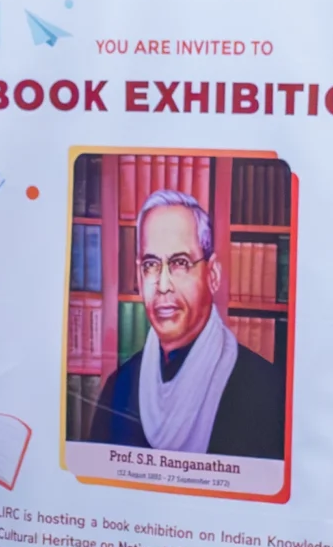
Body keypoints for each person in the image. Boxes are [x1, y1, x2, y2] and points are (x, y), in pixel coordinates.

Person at [87, 188, 287, 457]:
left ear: (212, 275)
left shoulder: (267, 391)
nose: (163, 285)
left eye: (180, 263)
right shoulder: (119, 389)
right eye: (151, 265)